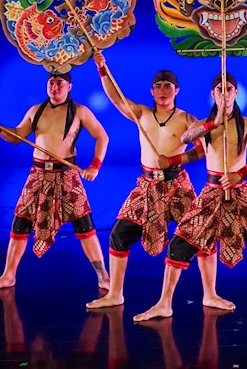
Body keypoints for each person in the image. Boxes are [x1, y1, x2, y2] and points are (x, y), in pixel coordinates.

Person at [133, 71, 247, 322]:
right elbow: (186, 139)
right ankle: (164, 304)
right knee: (179, 244)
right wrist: (214, 122)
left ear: (235, 93)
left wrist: (240, 174)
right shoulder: (201, 124)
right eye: (219, 90)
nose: (224, 93)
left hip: (240, 192)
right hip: (210, 193)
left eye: (228, 89)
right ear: (213, 95)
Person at [85, 50, 233, 311]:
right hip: (147, 185)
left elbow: (200, 150)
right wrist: (102, 68)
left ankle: (210, 294)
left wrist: (174, 161)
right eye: (158, 86)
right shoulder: (141, 114)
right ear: (152, 91)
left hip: (178, 185)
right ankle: (115, 293)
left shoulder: (187, 119)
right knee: (119, 235)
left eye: (168, 86)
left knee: (204, 235)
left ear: (177, 91)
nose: (163, 90)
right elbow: (116, 97)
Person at [0, 69, 111, 293]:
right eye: (51, 82)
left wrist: (94, 166)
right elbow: (16, 137)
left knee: (84, 226)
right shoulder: (36, 111)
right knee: (20, 223)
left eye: (59, 83)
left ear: (69, 86)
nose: (54, 87)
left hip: (66, 175)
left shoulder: (79, 111)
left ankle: (103, 275)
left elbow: (102, 136)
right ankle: (8, 275)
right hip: (38, 175)